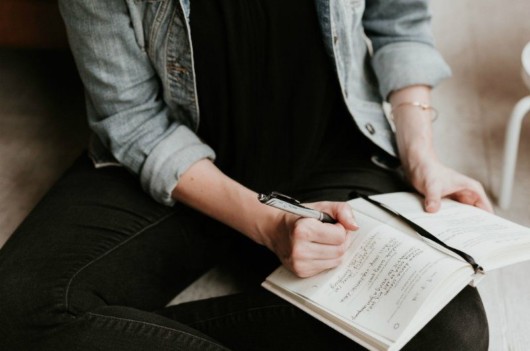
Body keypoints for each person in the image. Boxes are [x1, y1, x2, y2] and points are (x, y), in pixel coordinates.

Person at [0, 0, 493, 350]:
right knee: (17, 312)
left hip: (327, 153)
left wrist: (420, 155)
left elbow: (401, 22)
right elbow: (132, 118)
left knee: (448, 327)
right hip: (175, 165)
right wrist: (269, 224)